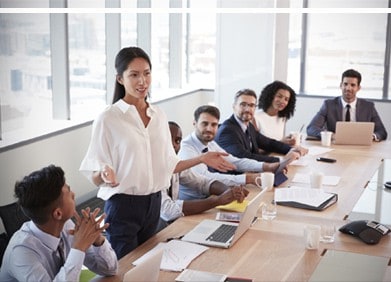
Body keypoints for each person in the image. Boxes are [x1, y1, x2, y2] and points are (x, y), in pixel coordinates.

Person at [79, 46, 235, 259]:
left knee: (148, 266)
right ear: (120, 79)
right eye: (134, 75)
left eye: (146, 73)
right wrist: (104, 173)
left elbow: (170, 165)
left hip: (153, 204)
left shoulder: (158, 115)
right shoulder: (109, 118)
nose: (142, 81)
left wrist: (202, 158)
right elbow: (95, 175)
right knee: (124, 270)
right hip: (123, 206)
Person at [0, 165, 118, 282]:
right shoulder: (21, 253)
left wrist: (96, 239)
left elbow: (110, 270)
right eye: (68, 190)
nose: (73, 194)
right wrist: (79, 246)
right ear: (58, 214)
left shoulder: (65, 225)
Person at [178, 105, 288, 201]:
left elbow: (235, 161)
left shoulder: (210, 143)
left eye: (214, 125)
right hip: (195, 204)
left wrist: (266, 166)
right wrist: (248, 178)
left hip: (213, 198)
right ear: (194, 123)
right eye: (204, 124)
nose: (209, 129)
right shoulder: (186, 148)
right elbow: (205, 178)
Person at [157, 121, 248, 230]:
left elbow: (202, 182)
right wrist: (217, 201)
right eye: (168, 139)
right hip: (157, 229)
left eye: (177, 141)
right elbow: (168, 211)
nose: (174, 145)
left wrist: (229, 192)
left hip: (175, 223)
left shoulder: (177, 164)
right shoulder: (152, 170)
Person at [214, 88, 308, 164]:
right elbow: (245, 156)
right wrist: (282, 160)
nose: (248, 109)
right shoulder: (227, 131)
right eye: (243, 105)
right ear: (234, 106)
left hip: (250, 172)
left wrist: (292, 149)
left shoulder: (248, 125)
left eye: (251, 105)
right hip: (234, 179)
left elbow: (268, 143)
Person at [306, 69, 387, 141]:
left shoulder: (368, 107)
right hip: (336, 147)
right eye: (345, 84)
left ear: (358, 88)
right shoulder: (328, 105)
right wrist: (330, 135)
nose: (348, 88)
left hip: (361, 147)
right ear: (341, 85)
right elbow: (311, 128)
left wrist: (372, 136)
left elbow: (382, 132)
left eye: (353, 85)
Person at [252, 80, 298, 145]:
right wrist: (280, 143)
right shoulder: (255, 117)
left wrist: (287, 140)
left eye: (286, 99)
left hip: (278, 154)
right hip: (264, 155)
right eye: (279, 96)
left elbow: (278, 139)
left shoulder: (282, 118)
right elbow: (256, 147)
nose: (282, 101)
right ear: (270, 96)